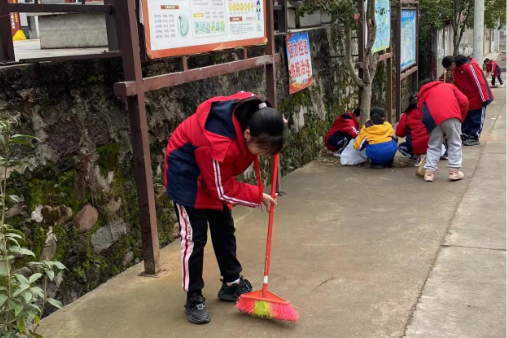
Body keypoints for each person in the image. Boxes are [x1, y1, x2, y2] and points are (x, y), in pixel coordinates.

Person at [164, 92, 284, 324]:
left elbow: (219, 184)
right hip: (187, 177)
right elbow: (221, 189)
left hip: (214, 172)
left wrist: (276, 126)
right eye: (262, 149)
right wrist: (258, 195)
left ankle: (231, 282)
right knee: (194, 238)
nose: (264, 154)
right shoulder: (219, 143)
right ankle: (194, 296)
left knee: (224, 228)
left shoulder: (254, 114)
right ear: (247, 134)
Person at [417, 79, 469, 182]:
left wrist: (429, 127)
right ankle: (454, 172)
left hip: (432, 119)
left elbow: (421, 112)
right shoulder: (448, 86)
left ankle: (429, 173)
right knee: (454, 143)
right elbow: (464, 101)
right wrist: (460, 118)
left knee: (434, 145)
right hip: (451, 115)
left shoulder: (421, 94)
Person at [442, 55, 493, 146]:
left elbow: (479, 83)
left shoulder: (470, 67)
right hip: (467, 99)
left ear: (453, 64)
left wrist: (483, 99)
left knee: (476, 118)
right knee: (466, 118)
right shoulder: (457, 70)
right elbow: (457, 85)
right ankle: (466, 134)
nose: (448, 70)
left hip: (479, 98)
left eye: (448, 68)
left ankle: (474, 136)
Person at [395, 94, 429, 166]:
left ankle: (415, 156)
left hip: (414, 146)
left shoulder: (406, 115)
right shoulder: (429, 112)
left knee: (401, 146)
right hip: (431, 144)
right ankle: (428, 156)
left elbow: (400, 133)